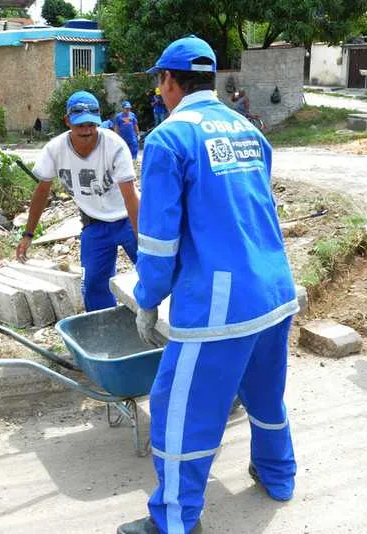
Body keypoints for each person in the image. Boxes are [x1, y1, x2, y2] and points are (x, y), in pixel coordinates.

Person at [118, 35, 300, 534]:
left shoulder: (168, 139)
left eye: (160, 82)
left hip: (221, 306)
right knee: (265, 394)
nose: (160, 91)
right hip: (274, 290)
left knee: (179, 409)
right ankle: (278, 475)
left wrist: (147, 299)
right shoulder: (247, 130)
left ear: (169, 82)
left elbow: (156, 242)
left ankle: (175, 520)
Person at [16, 90, 140, 311]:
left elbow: (130, 195)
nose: (86, 131)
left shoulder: (115, 145)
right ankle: (104, 333)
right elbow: (41, 192)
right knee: (94, 286)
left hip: (128, 219)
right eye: (80, 125)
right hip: (94, 224)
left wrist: (143, 237)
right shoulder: (55, 149)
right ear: (67, 121)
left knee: (154, 270)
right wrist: (28, 234)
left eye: (91, 125)